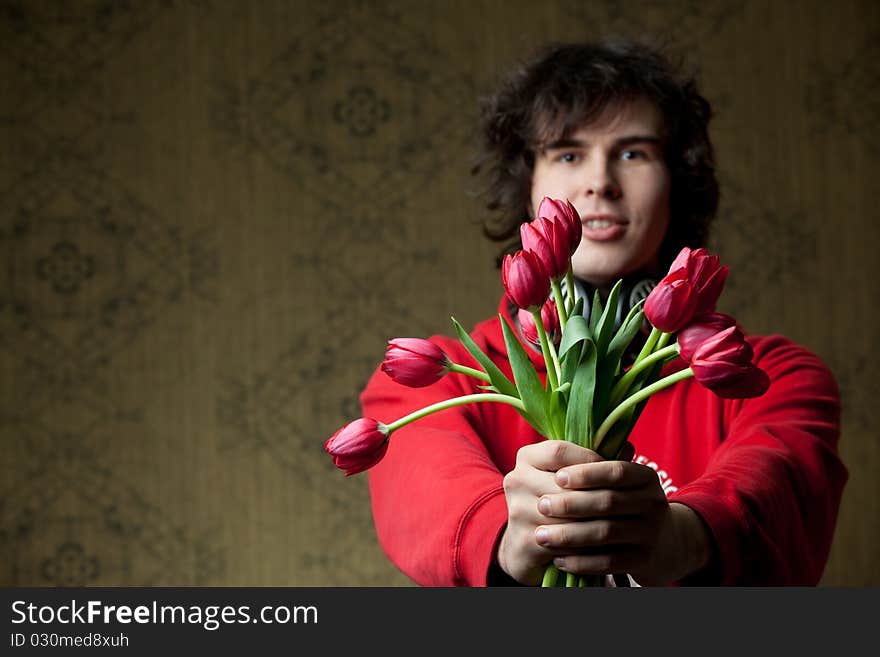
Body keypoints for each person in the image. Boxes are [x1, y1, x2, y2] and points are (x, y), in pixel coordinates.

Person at [359, 39, 848, 586]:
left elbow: (772, 483)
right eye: (567, 154)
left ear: (677, 184)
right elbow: (425, 483)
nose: (600, 182)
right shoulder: (434, 381)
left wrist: (680, 535)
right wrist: (511, 537)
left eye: (633, 152)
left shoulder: (774, 376)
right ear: (528, 188)